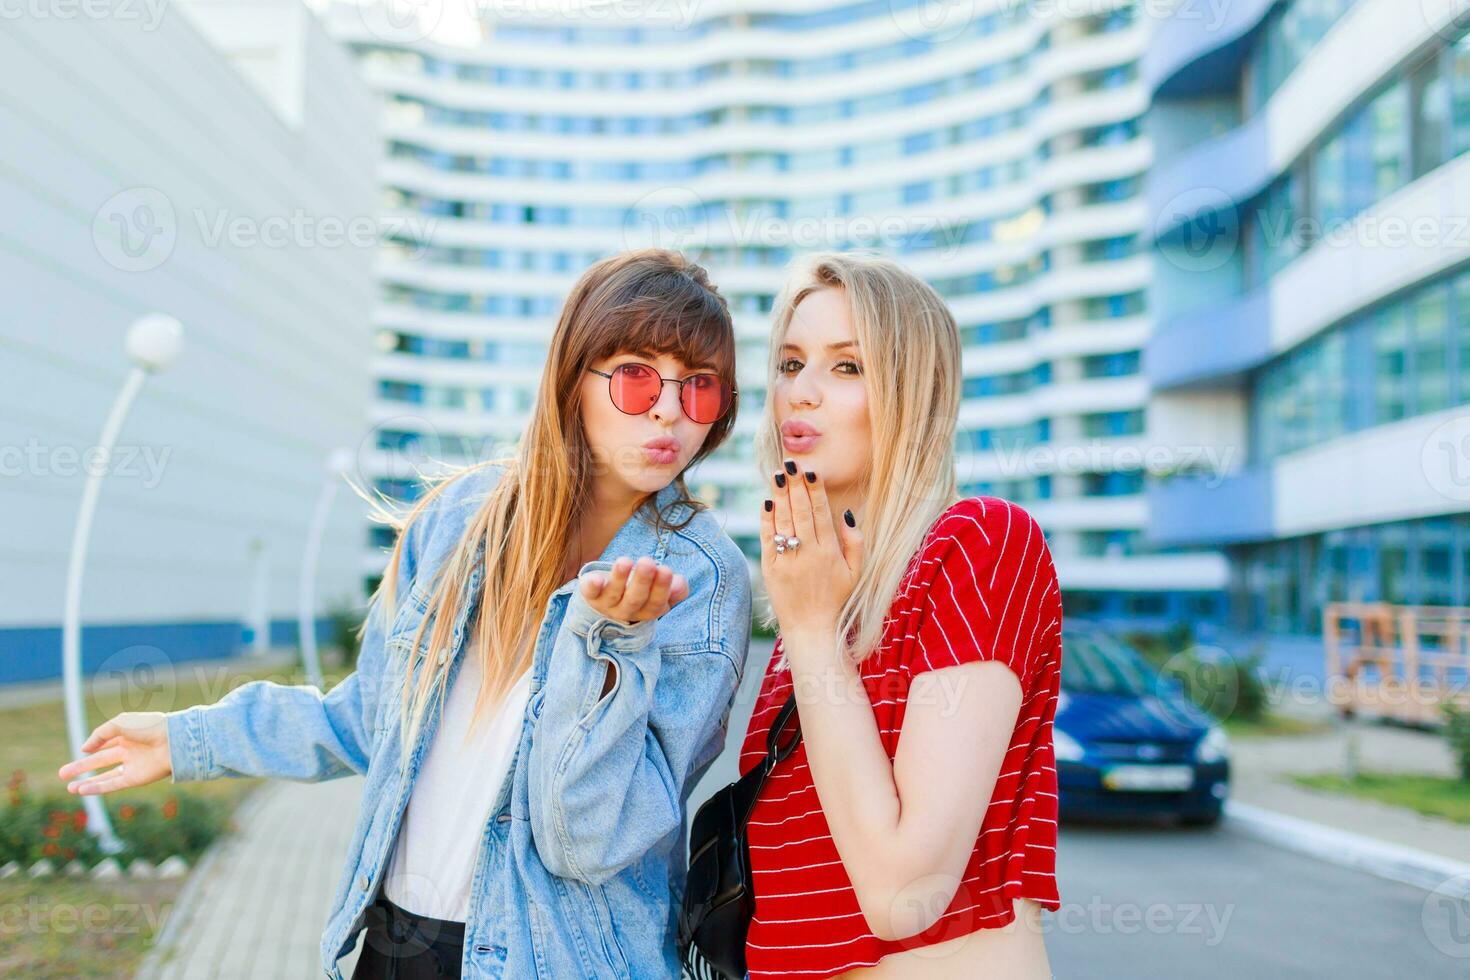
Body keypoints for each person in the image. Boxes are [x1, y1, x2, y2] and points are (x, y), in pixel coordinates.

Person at [58, 249, 753, 980]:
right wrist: (189, 738)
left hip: (563, 960)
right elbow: (368, 719)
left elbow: (590, 839)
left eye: (700, 388)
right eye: (638, 376)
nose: (671, 411)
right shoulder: (462, 521)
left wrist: (606, 642)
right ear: (573, 377)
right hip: (393, 943)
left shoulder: (699, 582)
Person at [740, 252, 1061, 979]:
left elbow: (903, 897)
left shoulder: (980, 542)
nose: (802, 394)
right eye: (790, 364)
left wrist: (813, 630)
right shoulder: (821, 601)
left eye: (846, 368)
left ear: (912, 392)